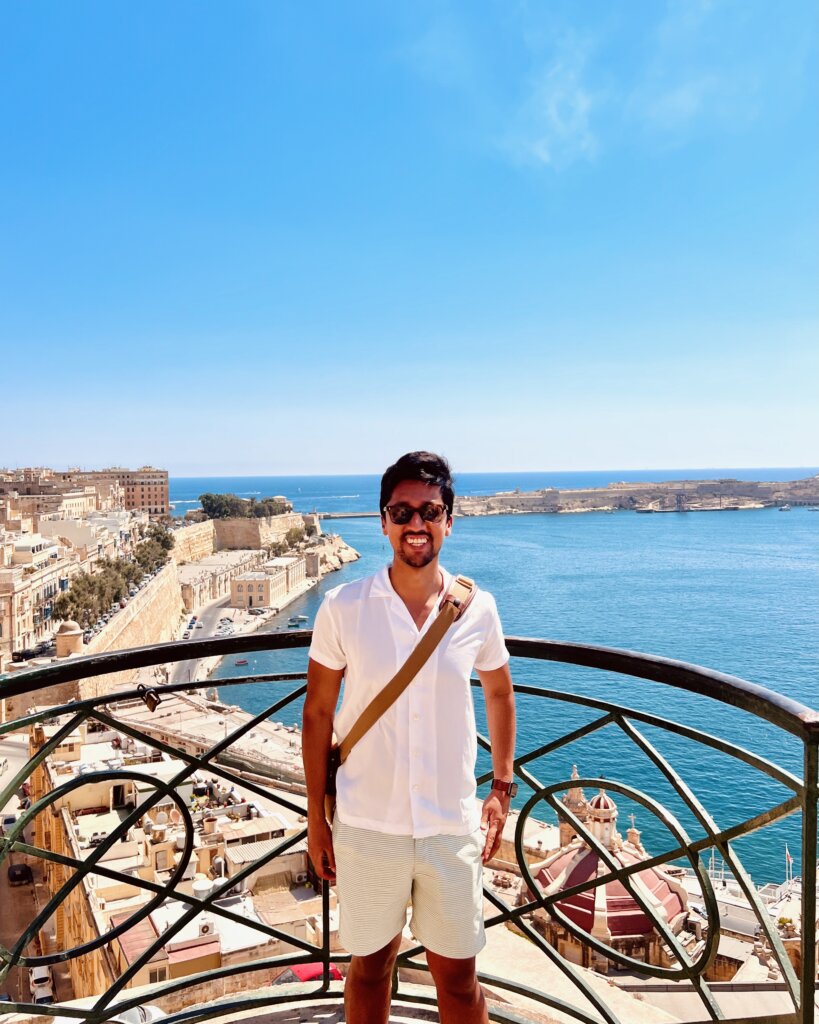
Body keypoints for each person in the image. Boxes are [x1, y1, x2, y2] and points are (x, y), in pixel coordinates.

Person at [303, 451, 516, 1024]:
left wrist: (501, 786)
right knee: (370, 972)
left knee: (462, 982)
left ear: (450, 520)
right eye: (402, 511)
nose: (415, 523)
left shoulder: (478, 609)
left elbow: (499, 693)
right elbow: (318, 713)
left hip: (449, 822)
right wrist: (315, 820)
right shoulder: (343, 607)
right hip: (369, 823)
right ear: (383, 521)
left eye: (430, 510)